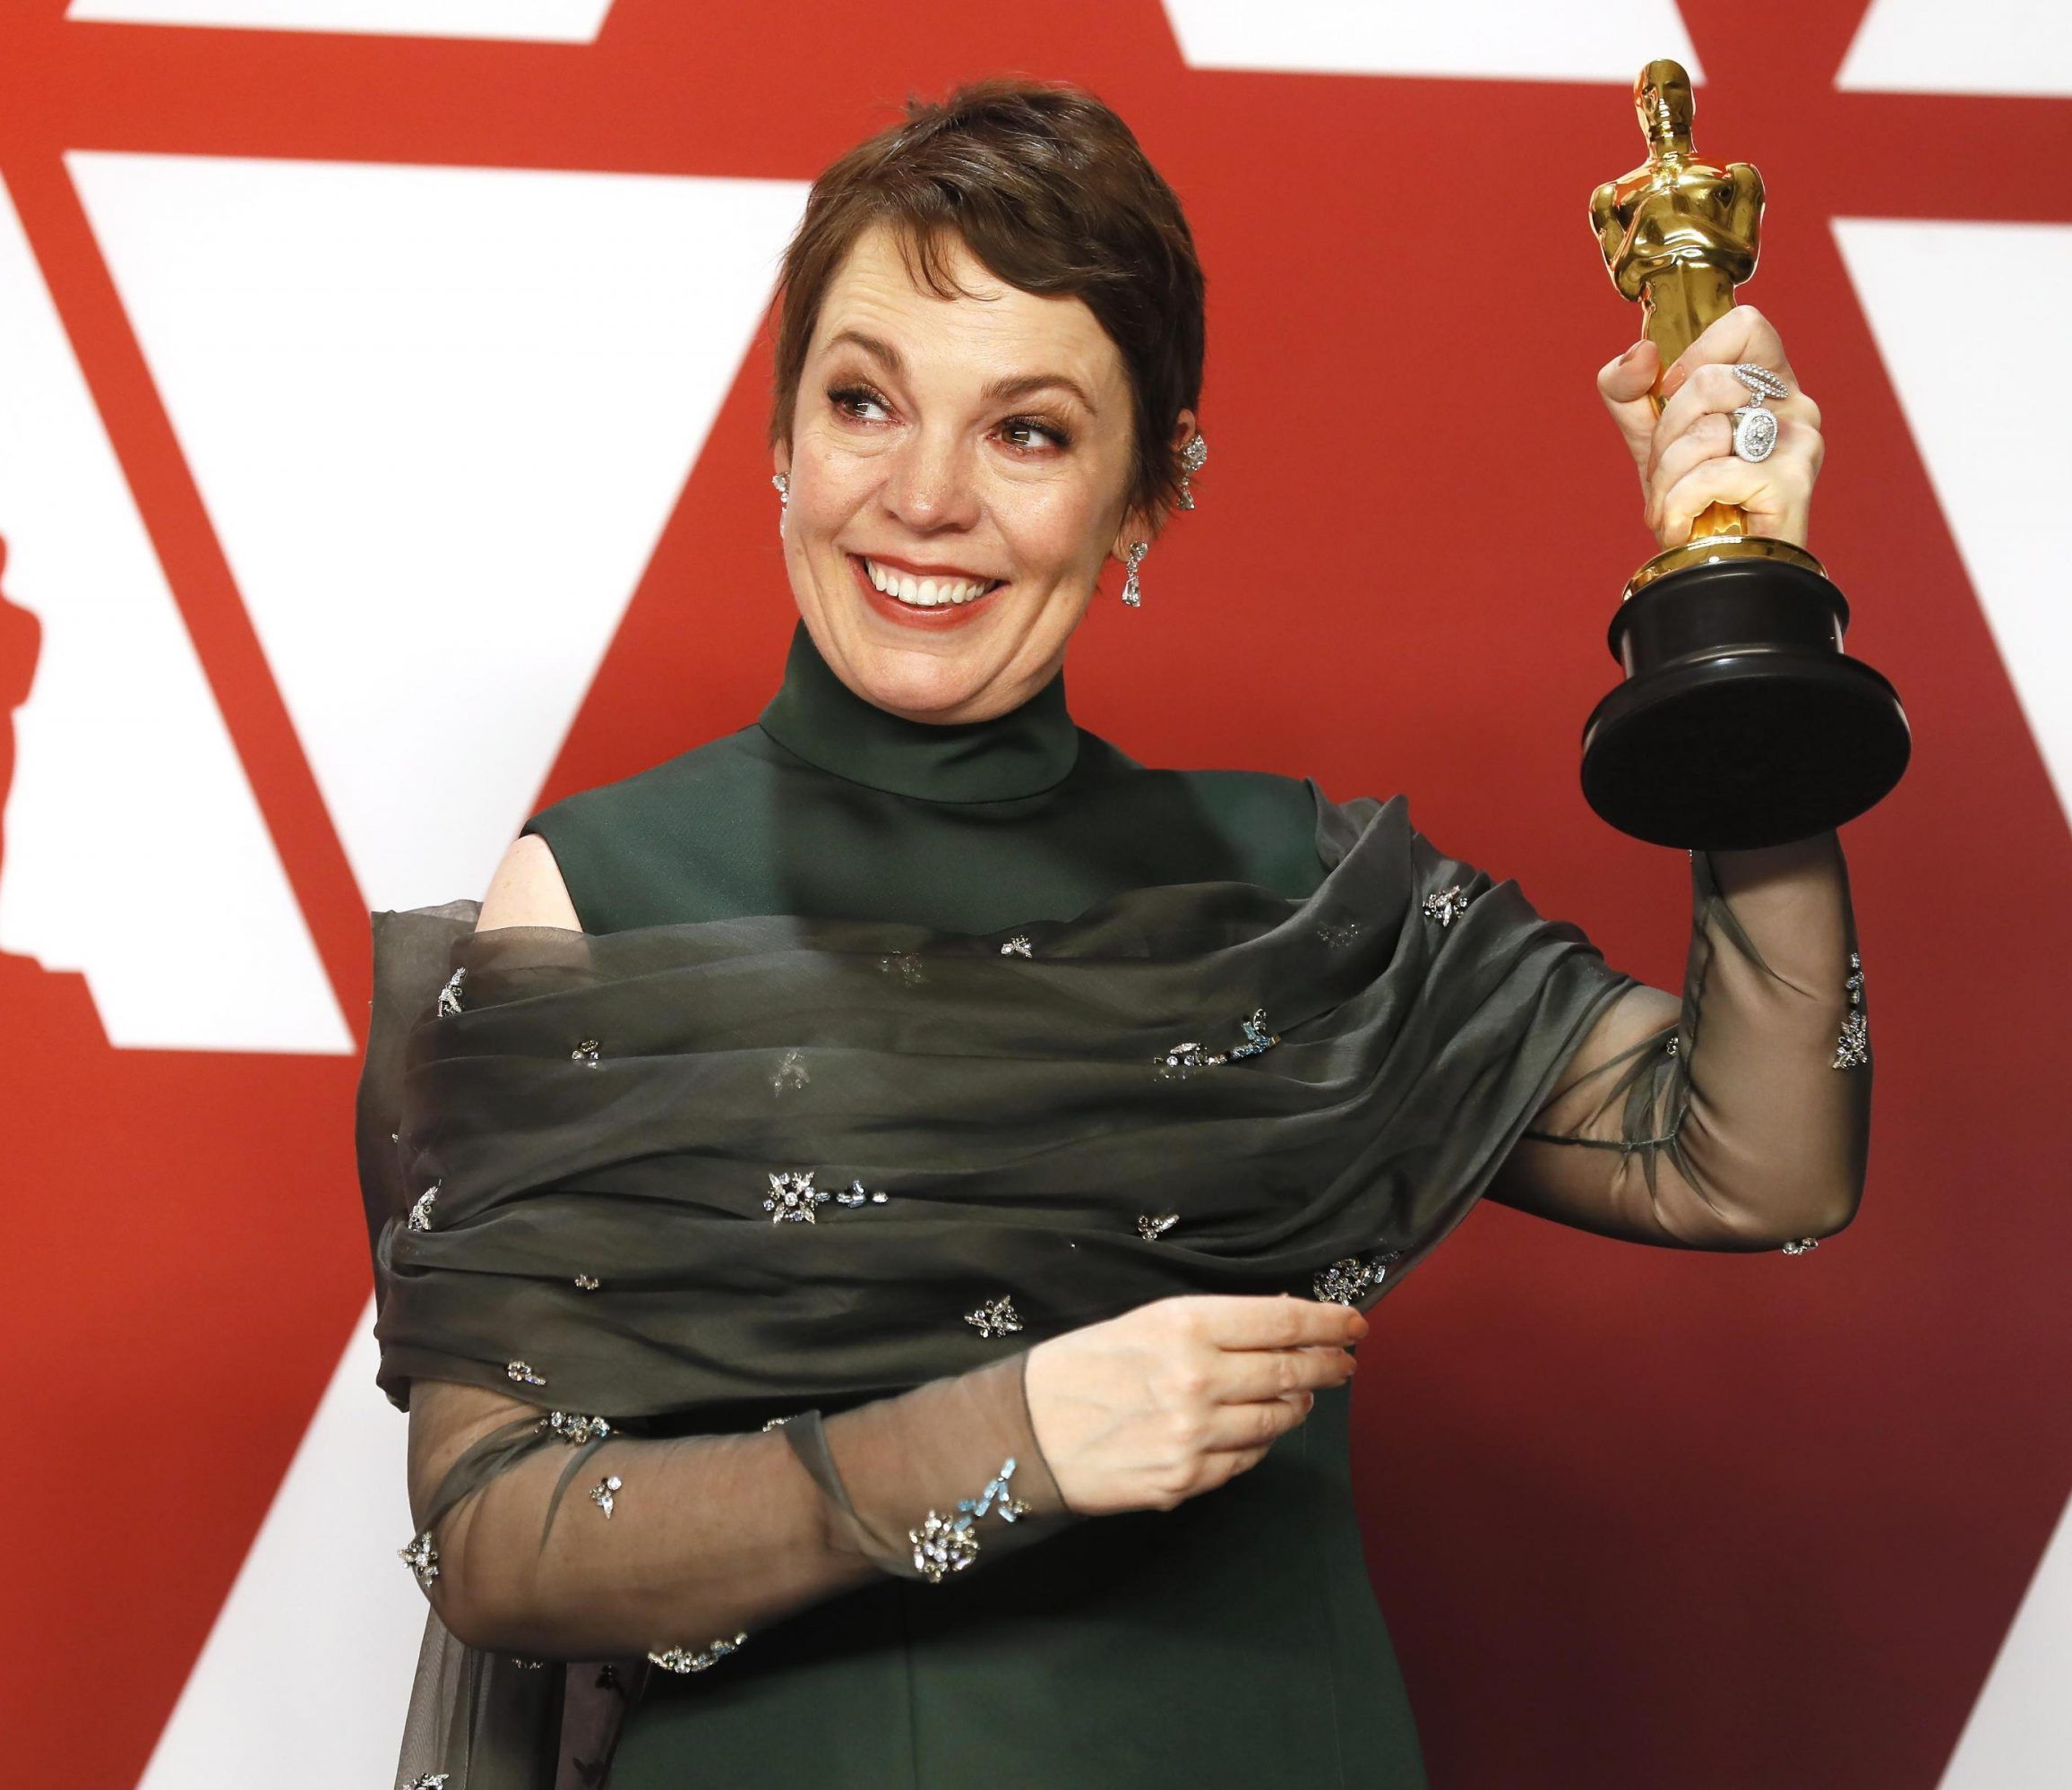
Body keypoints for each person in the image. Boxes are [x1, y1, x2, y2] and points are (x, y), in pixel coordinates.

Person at [356, 76, 1868, 1790]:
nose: (924, 496)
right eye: (864, 402)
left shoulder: (1289, 887)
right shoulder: (605, 886)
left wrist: (1737, 599)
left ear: (1146, 492)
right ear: (781, 443)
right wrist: (1014, 1436)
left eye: (1028, 431)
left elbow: (1754, 1159)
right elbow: (494, 1535)